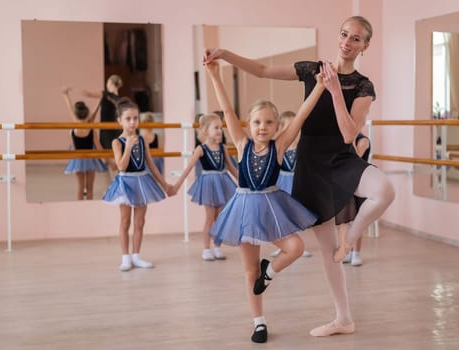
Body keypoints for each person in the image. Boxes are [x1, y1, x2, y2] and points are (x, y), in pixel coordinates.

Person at [204, 15, 395, 337]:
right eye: (345, 34)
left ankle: (351, 239)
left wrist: (334, 90)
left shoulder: (363, 86)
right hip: (311, 164)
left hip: (341, 157)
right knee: (326, 249)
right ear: (339, 36)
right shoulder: (312, 69)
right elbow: (262, 70)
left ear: (365, 46)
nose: (348, 42)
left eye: (356, 38)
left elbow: (349, 134)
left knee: (385, 190)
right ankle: (343, 318)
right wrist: (225, 54)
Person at [205, 59, 325, 343]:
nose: (262, 127)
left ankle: (268, 272)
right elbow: (227, 109)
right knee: (249, 270)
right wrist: (214, 75)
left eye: (269, 122)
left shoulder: (280, 146)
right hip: (244, 210)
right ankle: (259, 322)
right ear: (249, 124)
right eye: (257, 122)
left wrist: (319, 86)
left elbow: (301, 117)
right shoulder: (242, 143)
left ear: (275, 127)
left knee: (295, 246)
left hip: (272, 208)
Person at [102, 98, 175, 271]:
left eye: (135, 118)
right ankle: (125, 257)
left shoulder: (142, 140)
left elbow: (150, 164)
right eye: (128, 118)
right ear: (119, 120)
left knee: (140, 221)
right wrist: (127, 147)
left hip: (142, 182)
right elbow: (120, 166)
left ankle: (136, 255)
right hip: (126, 182)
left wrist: (165, 185)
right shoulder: (117, 142)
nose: (133, 122)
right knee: (125, 221)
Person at [172, 113, 238, 261]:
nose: (220, 130)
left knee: (220, 217)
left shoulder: (223, 148)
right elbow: (188, 168)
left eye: (221, 128)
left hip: (223, 182)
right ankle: (206, 249)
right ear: (206, 130)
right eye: (216, 128)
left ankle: (218, 246)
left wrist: (245, 182)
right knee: (210, 217)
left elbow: (232, 168)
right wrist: (177, 185)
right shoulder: (201, 149)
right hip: (209, 184)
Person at [271, 111, 312, 258]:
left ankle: (299, 245)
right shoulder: (279, 148)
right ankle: (284, 243)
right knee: (283, 214)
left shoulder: (302, 147)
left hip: (297, 183)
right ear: (281, 129)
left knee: (295, 213)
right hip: (281, 183)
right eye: (289, 127)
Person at [62, 87, 108, 200]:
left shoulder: (74, 127)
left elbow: (70, 109)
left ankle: (80, 208)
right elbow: (99, 147)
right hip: (91, 159)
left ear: (76, 115)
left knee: (80, 187)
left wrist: (65, 94)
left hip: (78, 159)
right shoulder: (91, 127)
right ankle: (89, 207)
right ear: (87, 113)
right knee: (90, 187)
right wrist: (108, 159)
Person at [337, 132, 371, 266]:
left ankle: (356, 253)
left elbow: (353, 159)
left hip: (359, 184)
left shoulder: (363, 141)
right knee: (344, 221)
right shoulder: (340, 139)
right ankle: (348, 251)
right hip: (343, 184)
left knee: (357, 220)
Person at [83, 74, 123, 170]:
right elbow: (97, 108)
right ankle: (116, 177)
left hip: (110, 128)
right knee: (110, 155)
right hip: (107, 128)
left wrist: (76, 90)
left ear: (110, 83)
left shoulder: (109, 96)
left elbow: (89, 94)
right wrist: (91, 119)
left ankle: (117, 177)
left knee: (112, 155)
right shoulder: (109, 96)